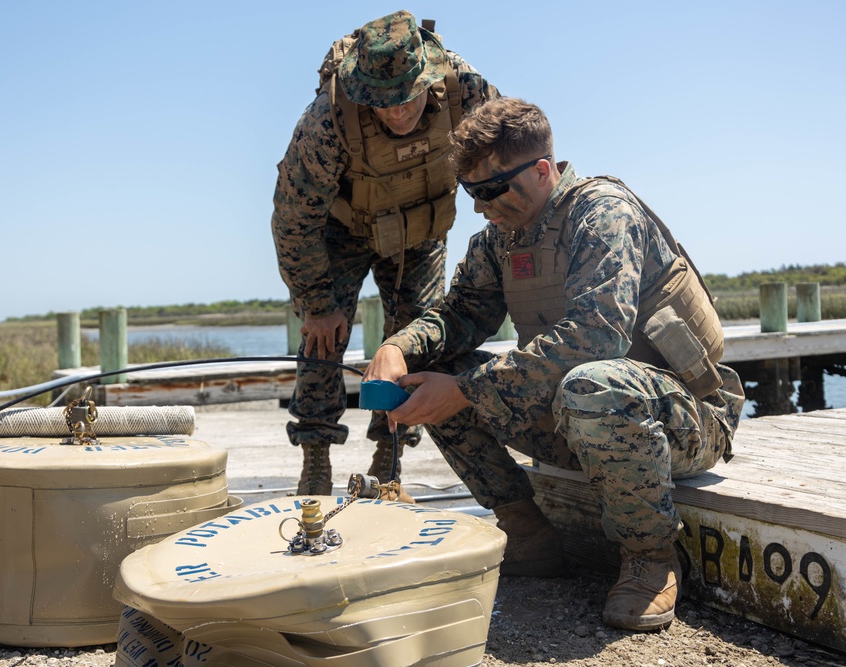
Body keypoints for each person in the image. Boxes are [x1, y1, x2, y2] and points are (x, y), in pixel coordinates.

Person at [364, 97, 745, 631]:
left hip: (681, 419)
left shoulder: (603, 212)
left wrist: (468, 391)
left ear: (542, 171)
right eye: (471, 193)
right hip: (578, 416)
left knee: (591, 383)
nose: (481, 206)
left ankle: (650, 559)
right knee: (439, 366)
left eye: (492, 190)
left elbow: (598, 338)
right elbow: (460, 315)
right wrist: (398, 347)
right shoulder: (501, 238)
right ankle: (527, 536)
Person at [271, 10, 499, 499]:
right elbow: (293, 217)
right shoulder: (327, 119)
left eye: (407, 98)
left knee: (415, 340)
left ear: (429, 78)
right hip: (343, 230)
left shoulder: (467, 91)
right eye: (383, 103)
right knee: (322, 339)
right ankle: (315, 457)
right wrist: (315, 301)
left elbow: (504, 162)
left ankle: (389, 453)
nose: (397, 113)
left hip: (420, 232)